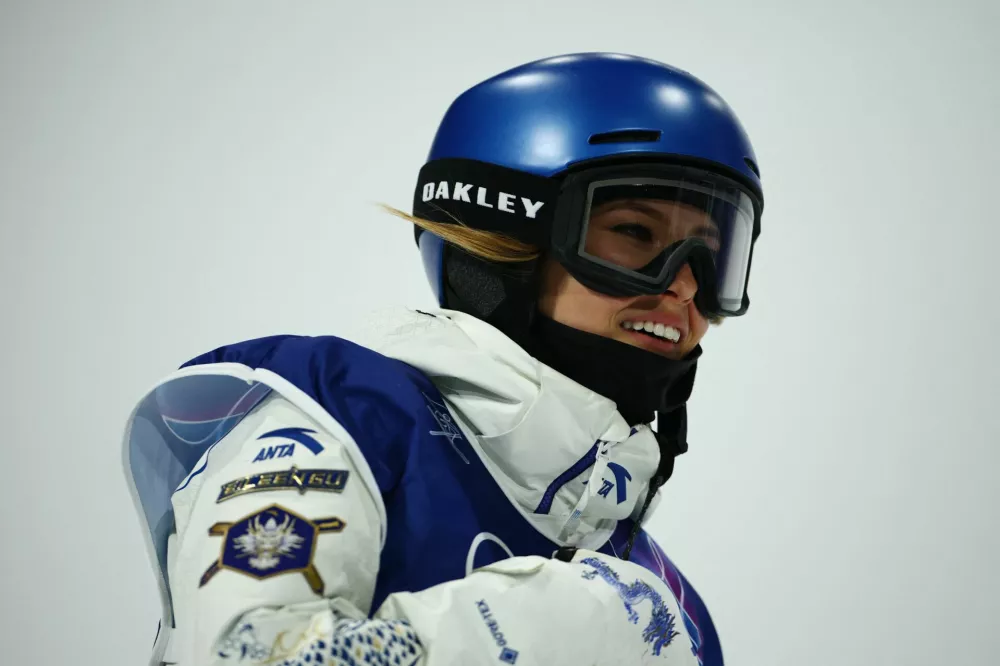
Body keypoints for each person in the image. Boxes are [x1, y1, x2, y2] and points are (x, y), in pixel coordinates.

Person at [122, 52, 764, 666]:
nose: (683, 286)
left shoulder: (660, 604)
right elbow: (251, 653)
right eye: (633, 235)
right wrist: (555, 624)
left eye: (712, 257)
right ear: (503, 243)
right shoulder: (345, 424)